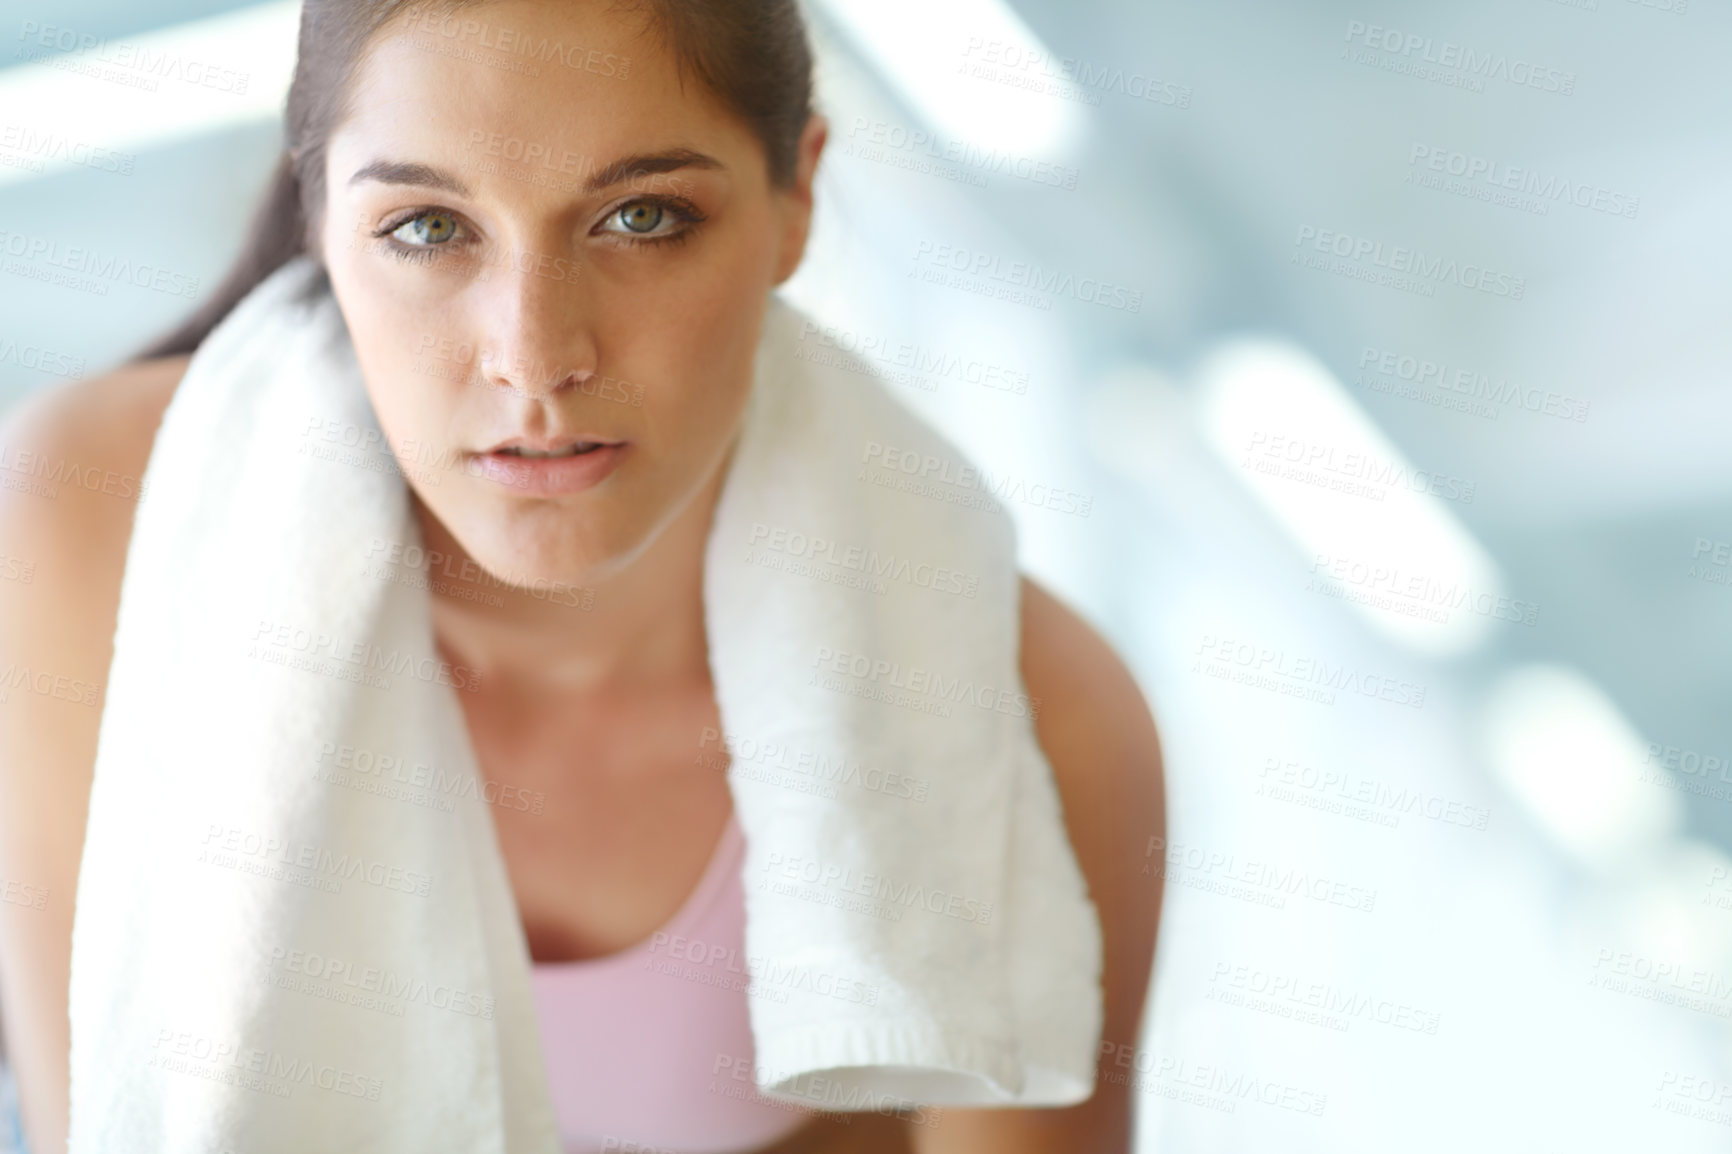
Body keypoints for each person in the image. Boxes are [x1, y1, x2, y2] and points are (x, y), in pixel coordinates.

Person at [0, 1, 1166, 1150]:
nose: (536, 356)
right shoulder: (91, 514)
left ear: (797, 193)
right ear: (320, 210)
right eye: (427, 226)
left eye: (642, 216)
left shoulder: (1034, 712)